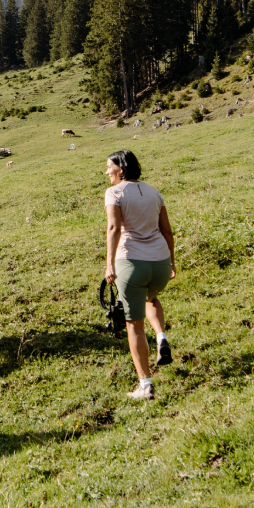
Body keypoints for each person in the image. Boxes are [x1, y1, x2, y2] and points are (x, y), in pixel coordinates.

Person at [102, 150, 175, 400]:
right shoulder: (154, 192)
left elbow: (114, 227)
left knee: (134, 324)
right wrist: (172, 262)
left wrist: (109, 265)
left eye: (109, 167)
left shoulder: (114, 193)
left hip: (131, 262)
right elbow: (167, 230)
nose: (106, 172)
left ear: (121, 169)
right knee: (149, 298)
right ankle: (161, 336)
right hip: (160, 263)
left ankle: (145, 385)